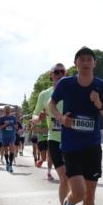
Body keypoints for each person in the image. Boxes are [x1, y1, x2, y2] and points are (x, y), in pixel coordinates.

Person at [49, 47, 103, 205]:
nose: (86, 63)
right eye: (82, 59)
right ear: (76, 63)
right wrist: (61, 119)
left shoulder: (102, 86)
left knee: (90, 195)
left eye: (89, 60)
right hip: (71, 145)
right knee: (78, 192)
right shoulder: (66, 84)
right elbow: (51, 105)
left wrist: (98, 104)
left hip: (92, 146)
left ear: (94, 64)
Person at [35, 63, 68, 193]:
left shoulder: (72, 92)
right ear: (51, 75)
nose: (60, 74)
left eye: (62, 72)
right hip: (54, 139)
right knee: (64, 178)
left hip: (71, 139)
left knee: (71, 178)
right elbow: (35, 115)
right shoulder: (44, 94)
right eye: (57, 72)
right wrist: (39, 118)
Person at [0, 106, 18, 172]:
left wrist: (12, 124)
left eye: (8, 109)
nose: (7, 110)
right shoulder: (2, 118)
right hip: (4, 136)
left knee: (12, 148)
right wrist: (5, 125)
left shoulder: (13, 118)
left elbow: (16, 127)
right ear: (4, 110)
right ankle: (7, 163)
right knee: (6, 150)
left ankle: (11, 165)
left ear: (10, 110)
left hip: (12, 136)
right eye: (6, 109)